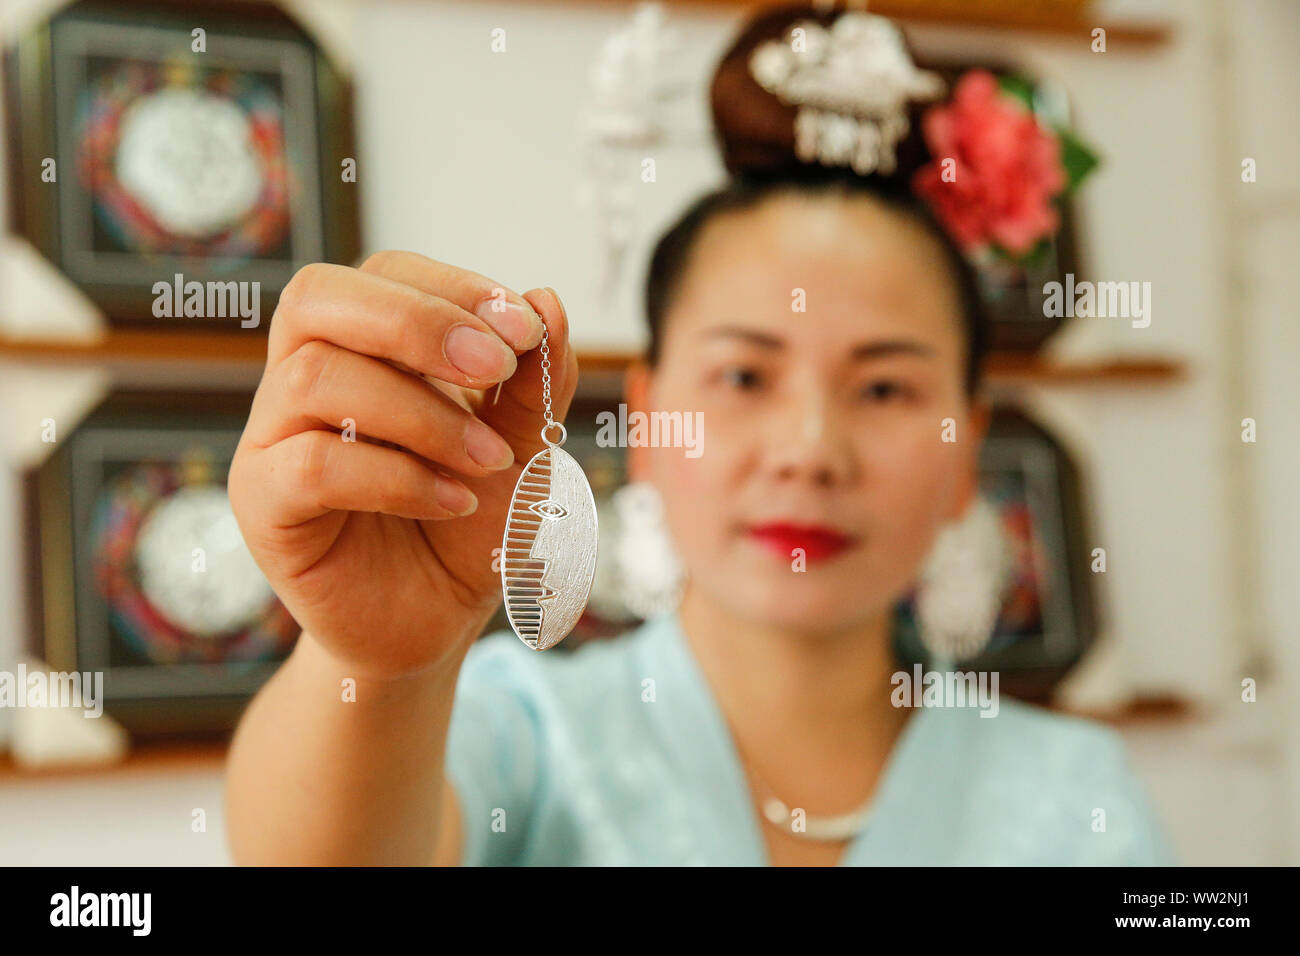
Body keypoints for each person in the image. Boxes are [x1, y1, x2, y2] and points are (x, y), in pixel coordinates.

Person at [224, 5, 1172, 866]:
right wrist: (380, 668)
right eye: (744, 376)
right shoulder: (519, 731)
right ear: (645, 419)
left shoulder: (1074, 800)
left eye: (883, 387)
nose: (807, 450)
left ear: (965, 447)